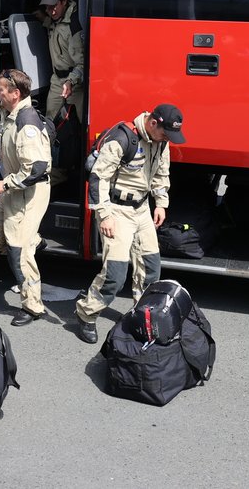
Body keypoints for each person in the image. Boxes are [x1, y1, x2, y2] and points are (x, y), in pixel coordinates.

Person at [73, 104, 185, 344]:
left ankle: (141, 314)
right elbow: (98, 178)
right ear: (153, 123)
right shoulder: (122, 138)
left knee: (151, 268)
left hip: (142, 209)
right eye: (166, 133)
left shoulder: (162, 141)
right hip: (117, 209)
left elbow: (161, 174)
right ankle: (86, 314)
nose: (168, 139)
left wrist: (161, 204)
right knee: (115, 274)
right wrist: (104, 215)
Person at [0, 69, 52, 327]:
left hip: (24, 192)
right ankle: (34, 239)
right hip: (14, 190)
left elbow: (36, 169)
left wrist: (6, 183)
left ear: (15, 94)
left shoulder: (26, 123)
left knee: (18, 252)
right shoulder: (12, 115)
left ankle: (33, 306)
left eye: (1, 89)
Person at [39, 0, 85, 186]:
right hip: (57, 80)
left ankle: (70, 170)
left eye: (53, 5)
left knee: (73, 129)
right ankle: (55, 171)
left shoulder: (74, 24)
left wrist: (71, 81)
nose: (50, 10)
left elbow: (83, 63)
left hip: (73, 83)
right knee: (51, 125)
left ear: (64, 1)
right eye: (46, 7)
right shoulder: (54, 17)